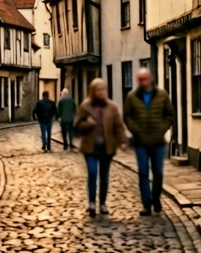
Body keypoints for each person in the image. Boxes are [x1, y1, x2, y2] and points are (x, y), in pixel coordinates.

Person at [123, 66, 176, 215]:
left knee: (158, 172)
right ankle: (146, 204)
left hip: (158, 141)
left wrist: (162, 128)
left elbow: (170, 115)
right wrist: (136, 131)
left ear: (150, 79)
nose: (142, 82)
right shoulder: (132, 97)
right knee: (143, 173)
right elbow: (127, 117)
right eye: (139, 79)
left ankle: (156, 199)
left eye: (144, 79)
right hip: (140, 142)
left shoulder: (162, 95)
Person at [74, 78, 128, 217]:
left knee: (104, 176)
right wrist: (88, 124)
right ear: (93, 91)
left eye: (103, 89)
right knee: (92, 173)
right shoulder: (85, 106)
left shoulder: (112, 107)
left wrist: (122, 141)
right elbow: (78, 126)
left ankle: (102, 203)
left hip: (106, 146)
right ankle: (92, 203)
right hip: (90, 147)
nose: (101, 92)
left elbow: (118, 127)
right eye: (98, 89)